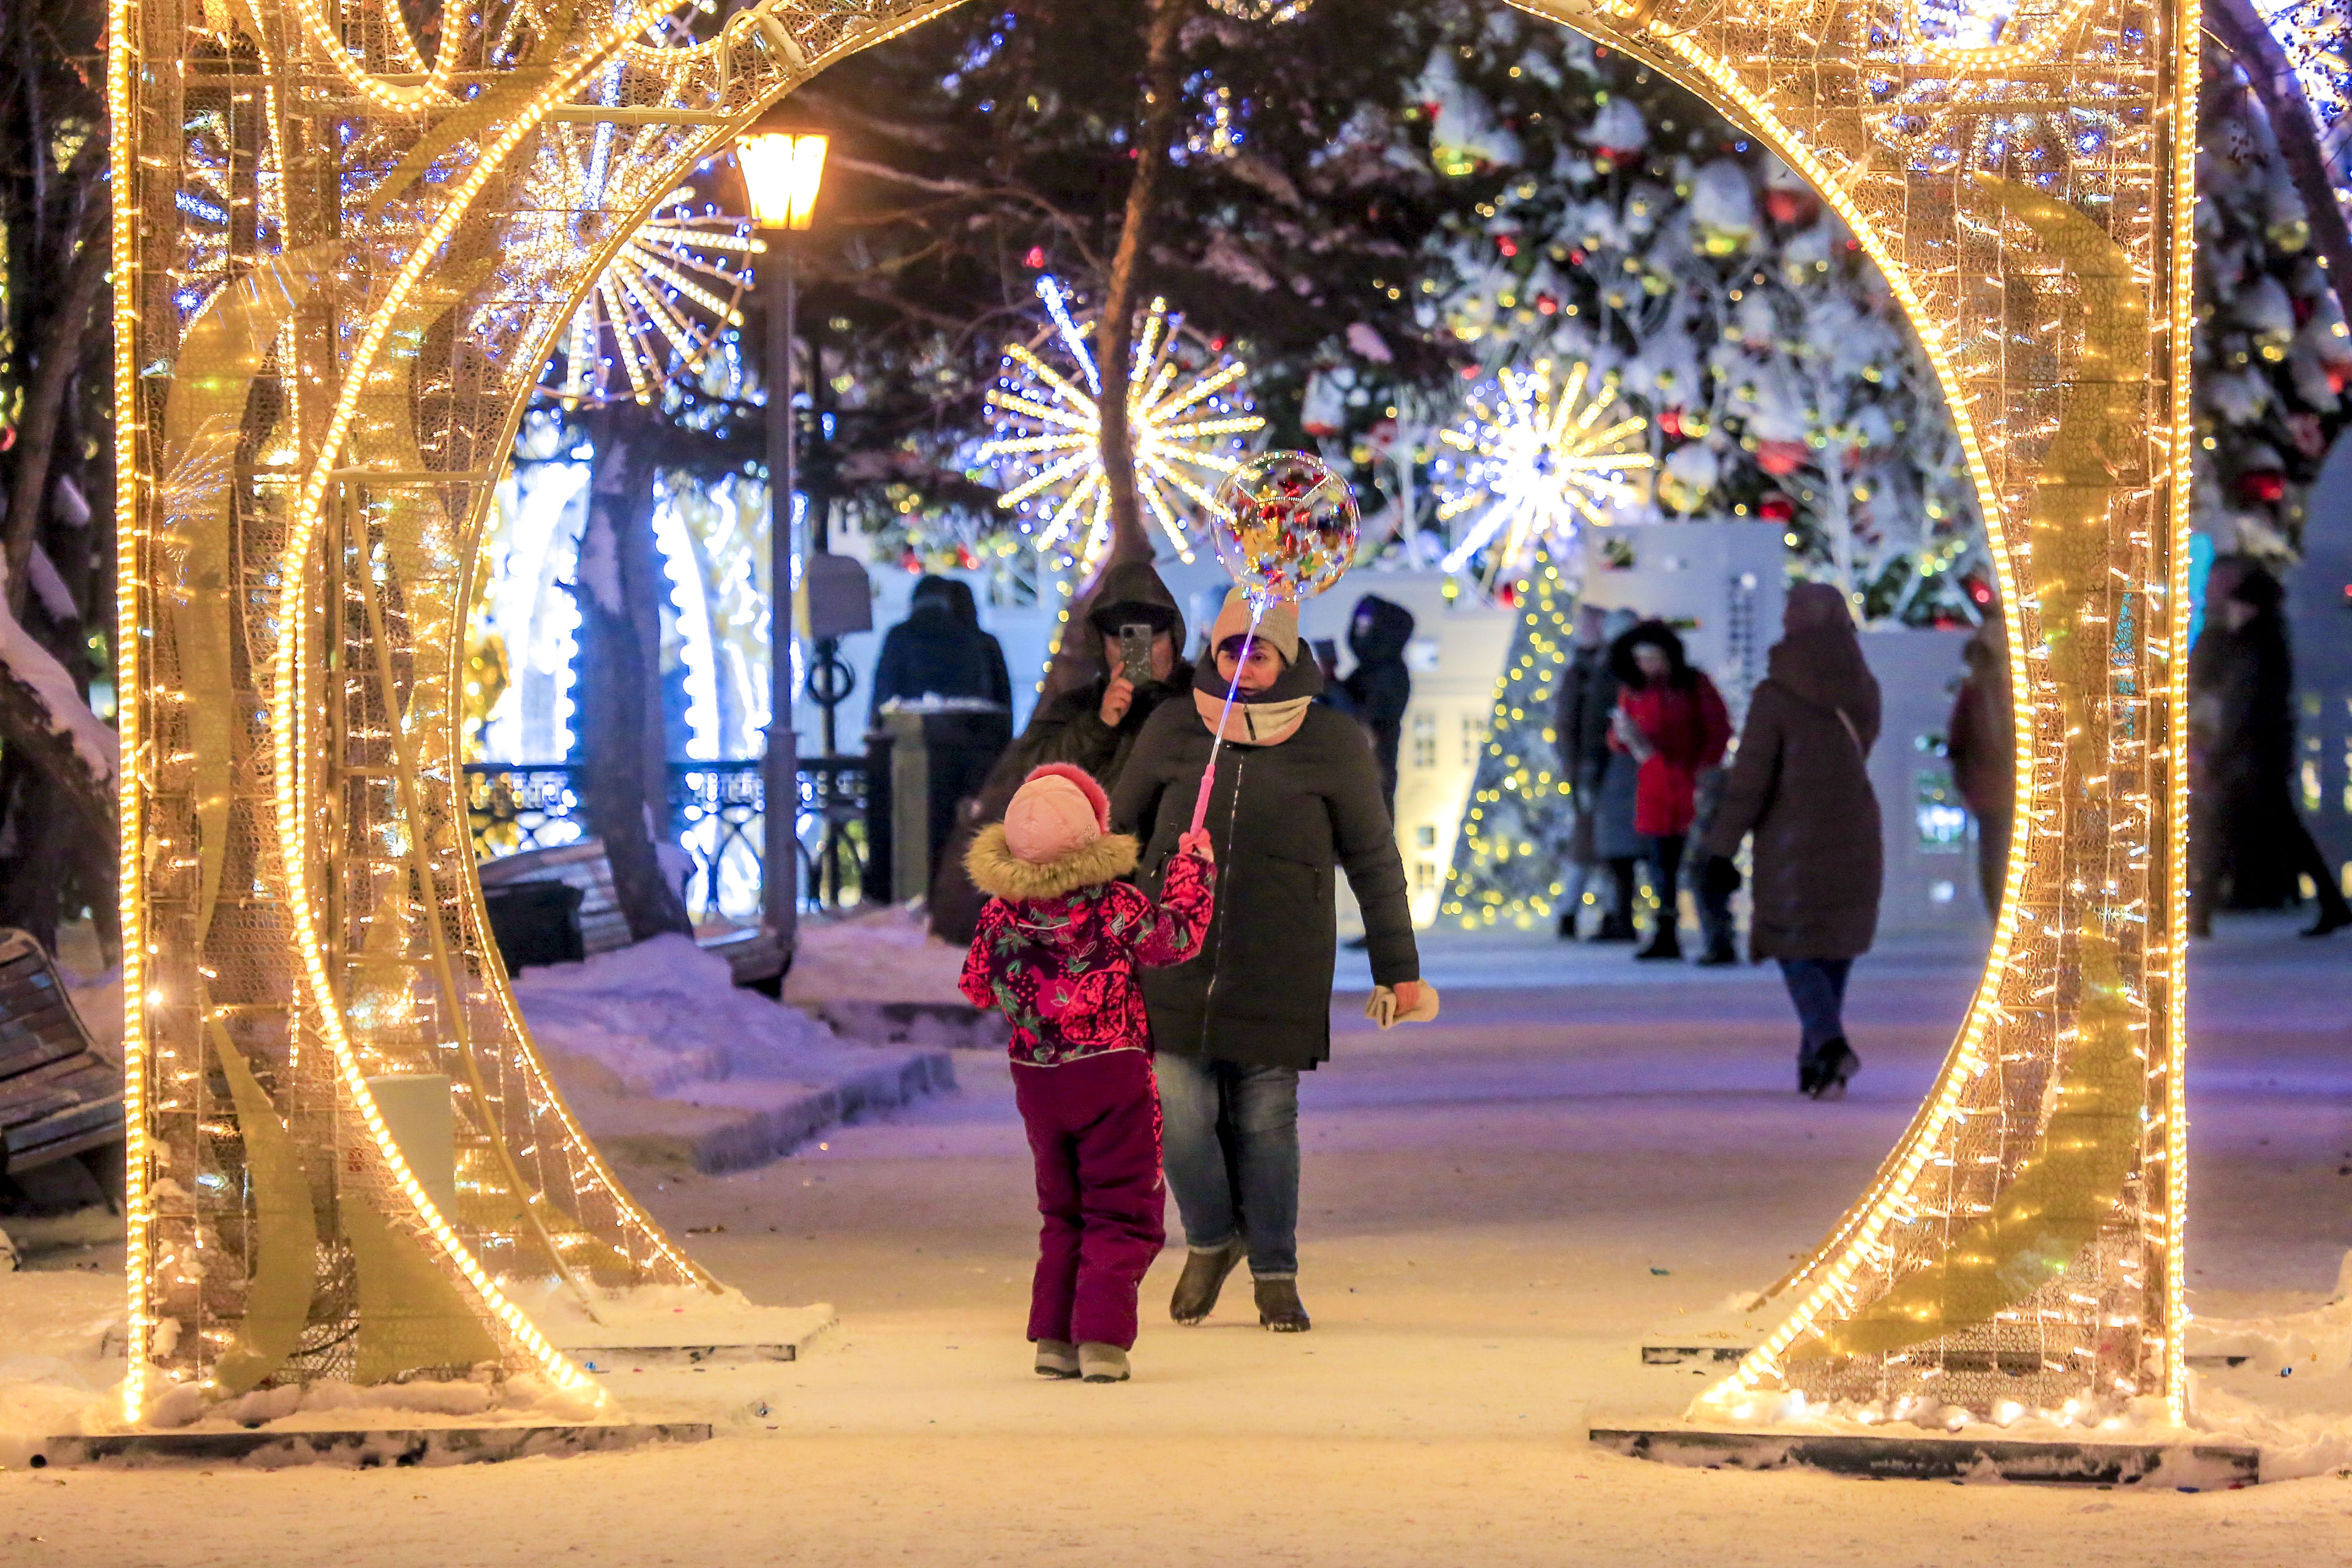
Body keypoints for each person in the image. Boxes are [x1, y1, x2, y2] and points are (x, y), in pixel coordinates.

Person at [1112, 589, 1422, 1334]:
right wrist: (1099, 926)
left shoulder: (1330, 739)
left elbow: (1373, 858)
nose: (1245, 667)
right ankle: (1213, 1240)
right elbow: (1120, 828)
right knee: (1180, 1115)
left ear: (1288, 658)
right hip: (1173, 956)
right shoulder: (1176, 724)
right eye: (1232, 650)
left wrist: (1397, 967)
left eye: (1263, 652)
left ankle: (1275, 1271)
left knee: (1266, 1121)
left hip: (1279, 956)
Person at [958, 763, 1219, 1384]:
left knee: (1063, 1209)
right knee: (1122, 1206)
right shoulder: (1115, 906)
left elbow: (976, 986)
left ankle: (1053, 1337)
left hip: (1038, 1079)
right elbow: (1175, 939)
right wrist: (1194, 872)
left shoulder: (1000, 916)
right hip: (1111, 1074)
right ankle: (1101, 1340)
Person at [928, 560, 1192, 944]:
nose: (1139, 654)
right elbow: (1031, 777)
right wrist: (1099, 725)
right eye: (1123, 640)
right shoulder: (1077, 708)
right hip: (1089, 904)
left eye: (1152, 640)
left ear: (1175, 638)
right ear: (1101, 645)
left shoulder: (1199, 705)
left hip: (1172, 891)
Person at [1700, 582, 1883, 1098]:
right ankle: (1816, 1066)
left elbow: (1751, 781)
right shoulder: (1864, 687)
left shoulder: (1775, 696)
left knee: (1796, 943)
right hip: (1855, 826)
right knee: (1835, 945)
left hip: (1791, 835)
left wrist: (1721, 846)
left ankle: (1827, 1045)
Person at [2188, 566, 2351, 938]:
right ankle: (2332, 903)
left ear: (2248, 605)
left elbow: (2241, 705)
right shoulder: (2264, 639)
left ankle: (2200, 917)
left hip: (2250, 758)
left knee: (2227, 831)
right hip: (2259, 756)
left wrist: (2221, 754)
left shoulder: (2252, 644)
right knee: (2269, 831)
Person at [1606, 619, 1732, 961]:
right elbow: (1617, 739)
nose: (1648, 667)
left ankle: (1717, 935)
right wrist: (1625, 737)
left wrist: (1704, 773)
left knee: (1703, 865)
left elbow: (1717, 729)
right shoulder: (1633, 691)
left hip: (1692, 785)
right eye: (1641, 660)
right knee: (1660, 866)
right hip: (1655, 789)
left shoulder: (1695, 685)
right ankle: (1666, 932)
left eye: (1653, 658)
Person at [868, 573, 1012, 726]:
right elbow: (999, 700)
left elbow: (884, 691)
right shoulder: (975, 641)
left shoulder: (901, 636)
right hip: (968, 735)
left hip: (911, 733)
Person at [1945, 612, 2015, 919]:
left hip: (1999, 788)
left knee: (2001, 855)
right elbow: (1960, 741)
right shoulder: (1977, 694)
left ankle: (2003, 914)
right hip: (1992, 790)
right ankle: (2000, 915)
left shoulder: (1988, 691)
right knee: (1995, 855)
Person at [1551, 604, 1615, 940]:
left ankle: (1574, 913)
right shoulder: (1589, 672)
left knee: (1593, 845)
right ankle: (1584, 913)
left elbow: (1566, 725)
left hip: (1592, 769)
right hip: (1595, 770)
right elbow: (1569, 725)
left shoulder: (1585, 671)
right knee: (1597, 844)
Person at [1586, 607, 1644, 941]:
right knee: (1623, 848)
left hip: (1618, 766)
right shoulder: (1617, 669)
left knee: (1618, 849)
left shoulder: (1608, 669)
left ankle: (1620, 916)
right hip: (1621, 764)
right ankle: (1621, 915)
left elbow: (1594, 720)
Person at [1341, 595, 1416, 820]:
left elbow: (1363, 718)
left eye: (1367, 625)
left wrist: (1332, 689)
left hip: (1373, 767)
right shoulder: (1366, 671)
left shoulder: (1391, 674)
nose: (1361, 631)